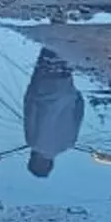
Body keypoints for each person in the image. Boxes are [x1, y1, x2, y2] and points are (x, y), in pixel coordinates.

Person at [23, 49, 85, 178]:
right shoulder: (33, 143)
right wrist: (30, 93)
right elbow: (30, 114)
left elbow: (78, 115)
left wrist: (76, 96)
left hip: (67, 92)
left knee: (65, 54)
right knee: (49, 50)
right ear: (35, 160)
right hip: (42, 92)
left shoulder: (68, 144)